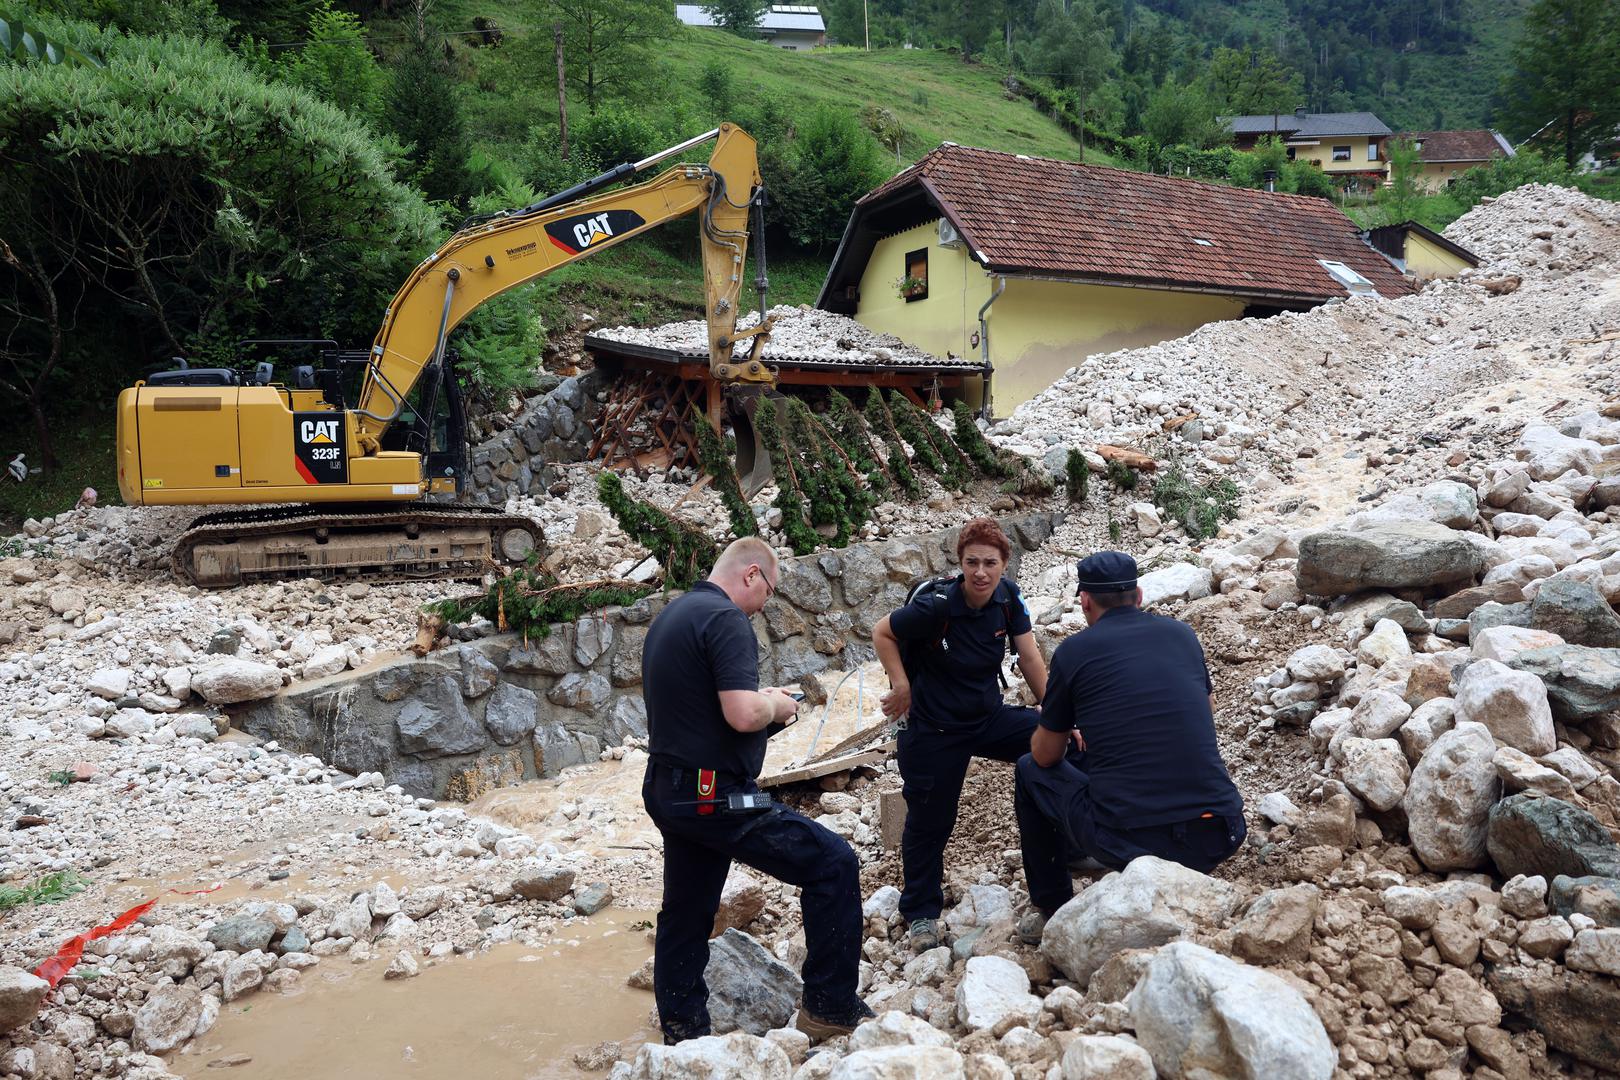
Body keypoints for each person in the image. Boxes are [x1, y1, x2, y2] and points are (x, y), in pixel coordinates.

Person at [641, 536, 871, 1044]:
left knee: (687, 908)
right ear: (750, 575)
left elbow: (699, 715)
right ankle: (829, 1008)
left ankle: (683, 1032)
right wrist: (775, 706)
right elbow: (742, 713)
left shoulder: (673, 616)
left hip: (669, 789)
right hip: (713, 795)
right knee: (833, 862)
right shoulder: (726, 619)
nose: (767, 603)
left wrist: (757, 708)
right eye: (769, 590)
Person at [1013, 551, 1246, 944]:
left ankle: (1052, 906)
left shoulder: (1074, 652)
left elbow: (1045, 756)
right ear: (1139, 595)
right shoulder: (1182, 635)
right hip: (1219, 833)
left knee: (1028, 769)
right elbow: (1207, 713)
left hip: (1133, 846)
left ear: (1085, 601)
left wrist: (1055, 719)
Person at [872, 517, 1049, 952]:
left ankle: (1066, 868)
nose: (981, 572)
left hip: (988, 719)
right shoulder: (937, 607)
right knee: (931, 822)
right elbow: (883, 631)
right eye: (973, 562)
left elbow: (1028, 655)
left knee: (1060, 747)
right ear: (960, 563)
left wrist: (1056, 713)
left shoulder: (1007, 599)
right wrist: (902, 684)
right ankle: (920, 914)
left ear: (1005, 564)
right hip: (934, 730)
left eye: (991, 563)